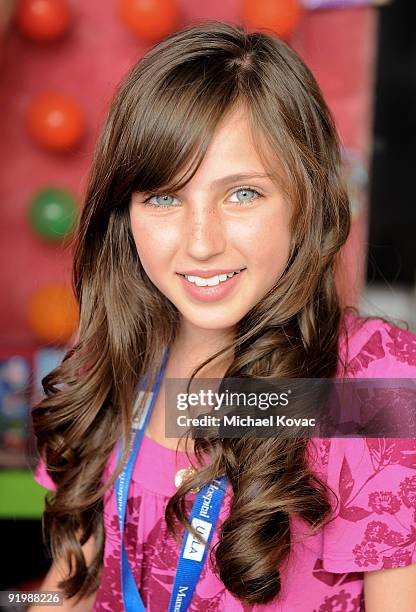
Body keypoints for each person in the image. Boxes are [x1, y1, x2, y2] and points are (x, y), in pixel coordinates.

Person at [30, 20, 416, 612]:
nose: (202, 243)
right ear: (124, 216)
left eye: (243, 193)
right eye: (164, 197)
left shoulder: (370, 383)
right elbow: (71, 586)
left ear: (305, 199)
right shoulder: (111, 356)